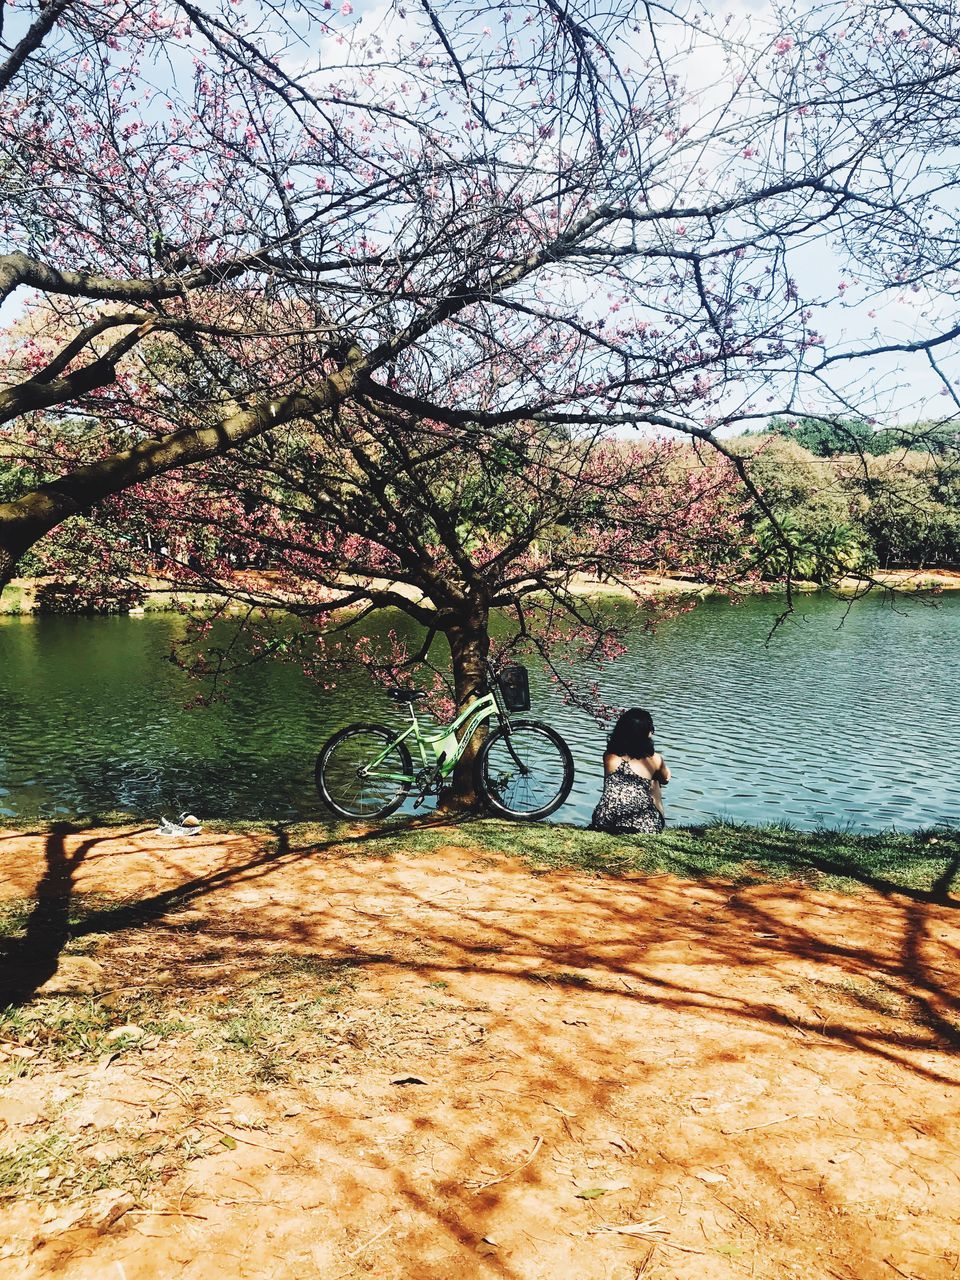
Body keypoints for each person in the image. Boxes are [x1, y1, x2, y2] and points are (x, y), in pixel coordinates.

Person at [589, 708, 670, 834]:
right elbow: (666, 779)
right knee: (655, 781)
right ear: (647, 733)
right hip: (641, 824)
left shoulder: (609, 756)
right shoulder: (655, 759)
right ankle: (660, 825)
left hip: (604, 820)